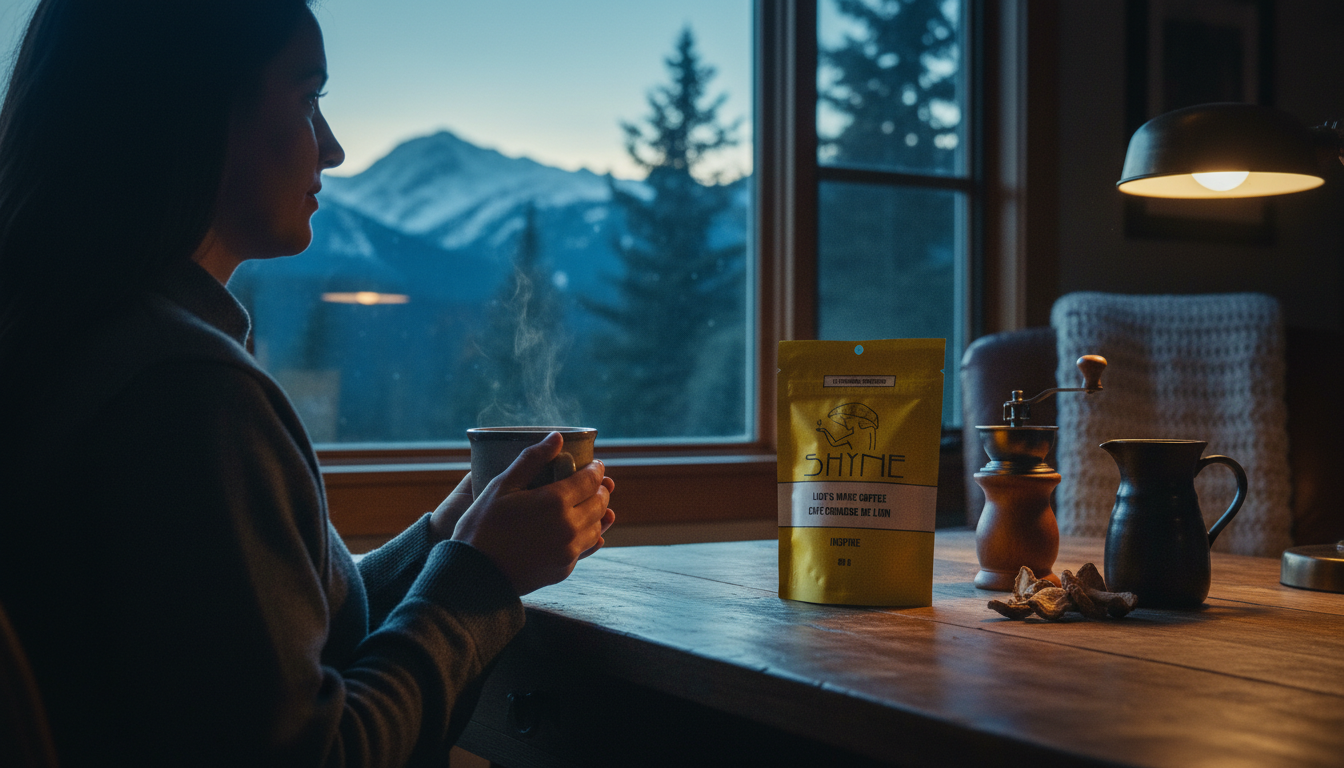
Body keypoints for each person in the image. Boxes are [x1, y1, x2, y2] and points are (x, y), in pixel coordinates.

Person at [0, 2, 615, 766]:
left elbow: (270, 640)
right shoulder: (187, 393)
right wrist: (479, 579)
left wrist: (445, 541)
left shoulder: (84, 342)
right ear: (191, 114)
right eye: (306, 99)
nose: (334, 147)